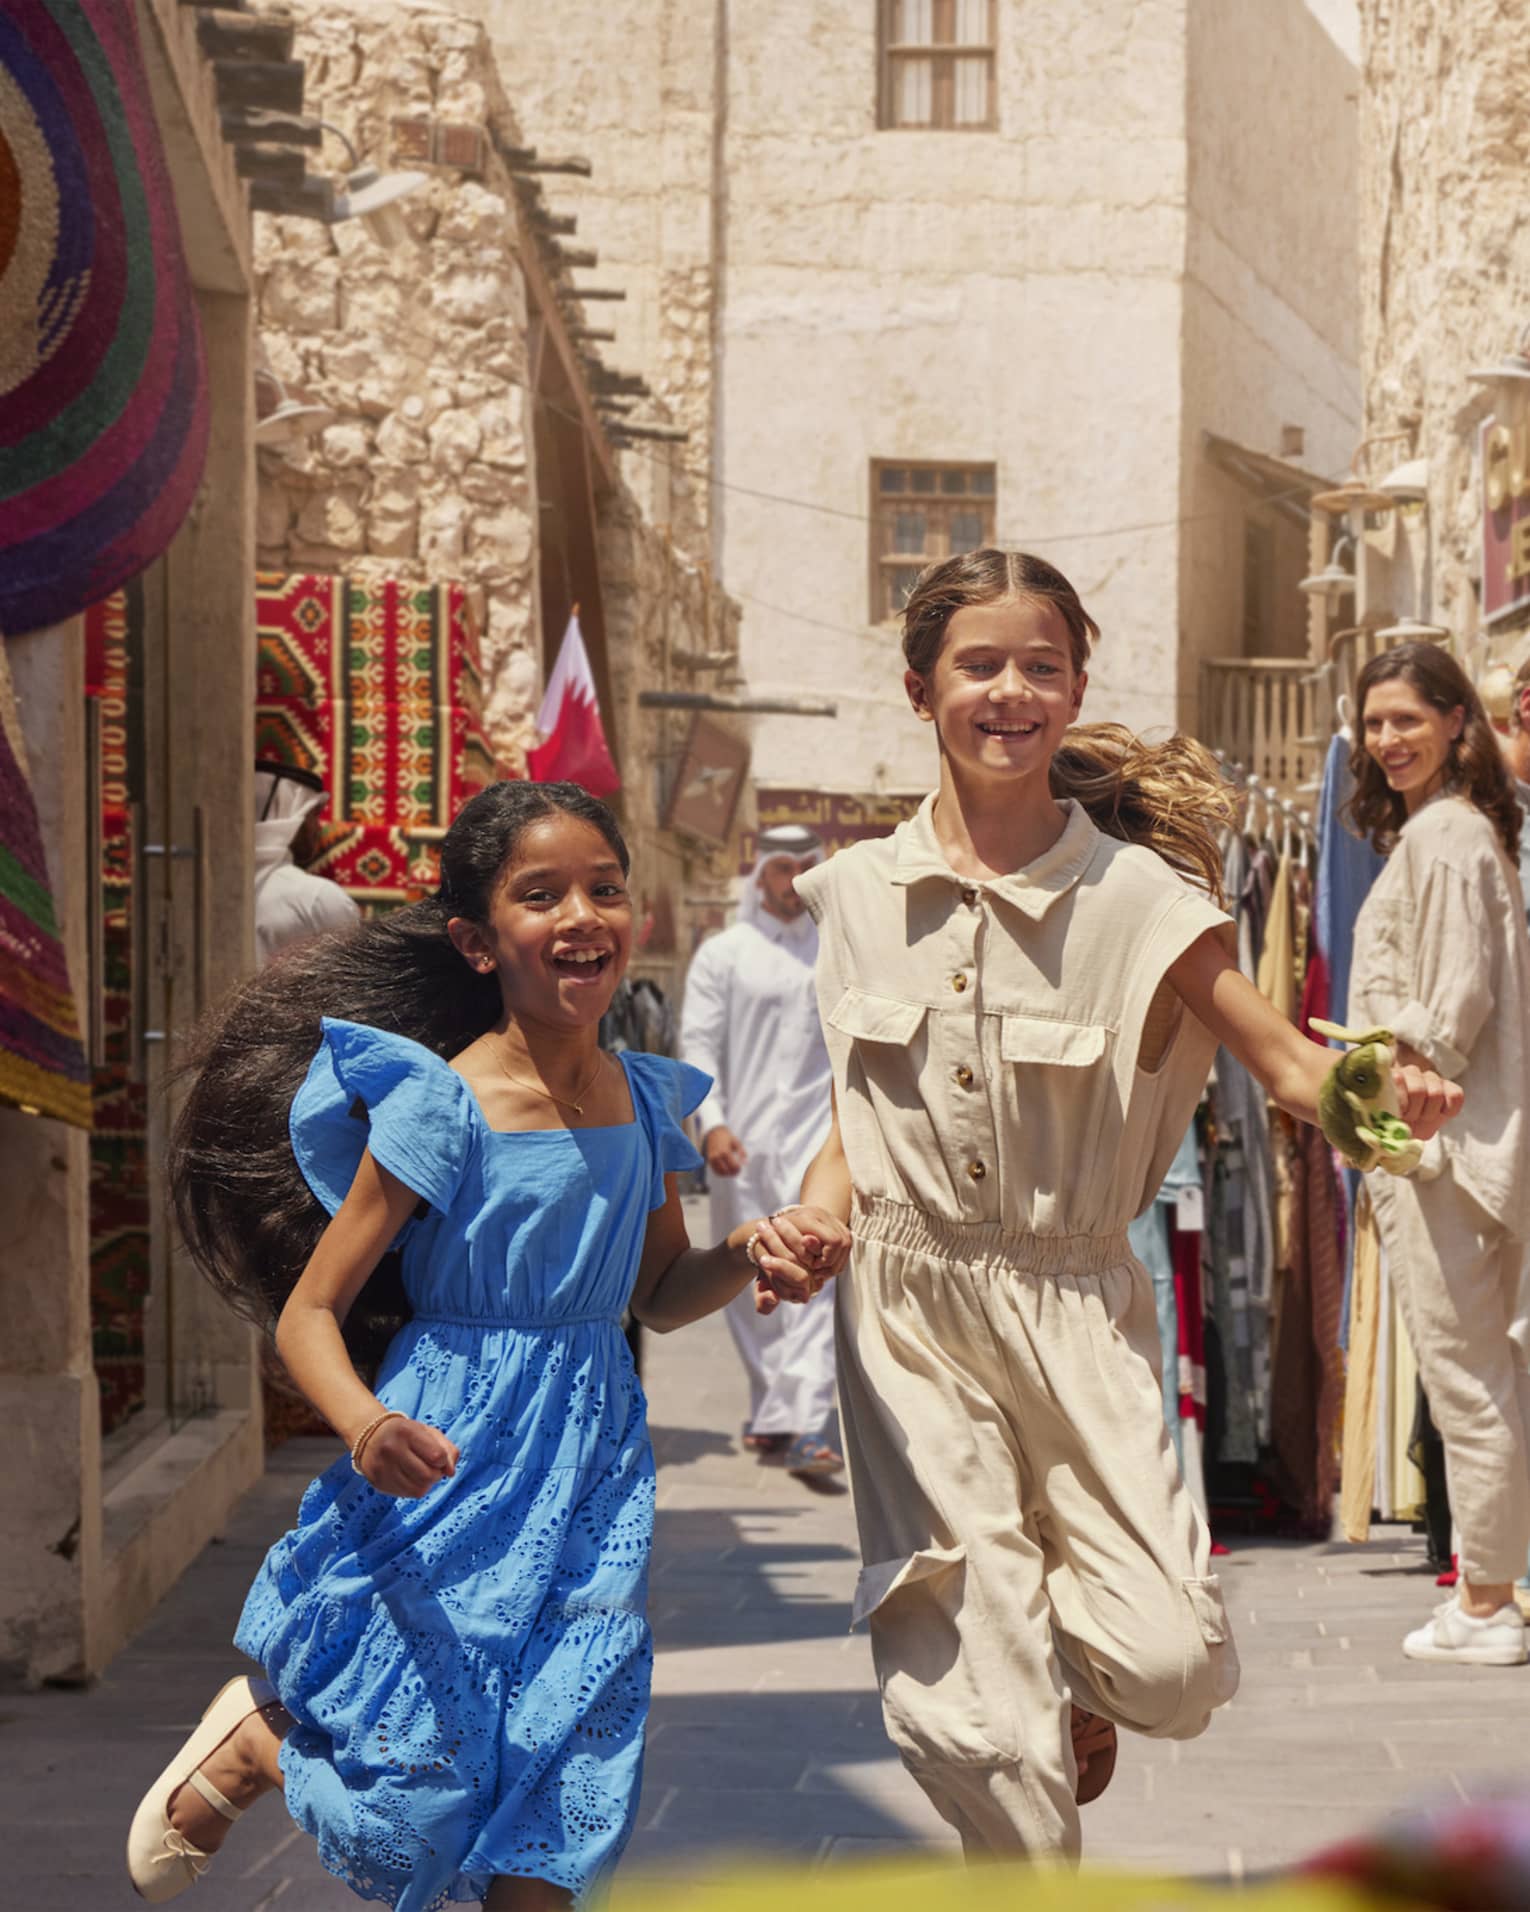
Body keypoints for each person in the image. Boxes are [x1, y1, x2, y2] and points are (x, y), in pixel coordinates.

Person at [791, 549, 1461, 1864]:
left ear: (1074, 684)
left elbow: (1287, 1066)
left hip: (1077, 1297)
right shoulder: (852, 894)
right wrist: (812, 1221)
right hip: (910, 1312)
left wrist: (1385, 1101)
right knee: (972, 1721)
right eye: (978, 664)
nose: (1008, 692)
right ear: (921, 686)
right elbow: (854, 1113)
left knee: (1163, 1664)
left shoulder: (1147, 903)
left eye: (1039, 666)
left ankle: (1076, 1677)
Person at [125, 780, 849, 1911]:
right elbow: (311, 1313)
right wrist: (365, 1424)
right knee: (411, 1808)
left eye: (605, 889)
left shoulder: (642, 1097)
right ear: (476, 939)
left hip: (595, 1475)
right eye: (541, 893)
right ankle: (265, 1742)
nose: (583, 914)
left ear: (638, 917)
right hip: (450, 1471)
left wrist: (752, 1247)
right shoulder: (443, 1107)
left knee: (567, 1796)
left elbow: (659, 1292)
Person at [1345, 642, 1530, 1666]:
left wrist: (1396, 1085)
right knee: (1484, 1367)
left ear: (1459, 720)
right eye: (1375, 724)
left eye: (1407, 718)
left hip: (1441, 1142)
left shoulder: (1450, 836)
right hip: (1449, 1135)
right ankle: (1493, 1589)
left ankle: (1490, 1601)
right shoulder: (1448, 832)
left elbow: (1454, 995)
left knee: (1468, 1371)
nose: (1387, 740)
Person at [680, 823, 842, 1478]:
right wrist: (711, 1123)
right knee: (750, 1272)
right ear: (763, 874)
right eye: (782, 867)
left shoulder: (837, 953)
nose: (791, 881)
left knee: (815, 1265)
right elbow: (697, 1043)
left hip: (817, 1141)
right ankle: (773, 1408)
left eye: (805, 867)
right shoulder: (725, 954)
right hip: (742, 1143)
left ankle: (805, 1422)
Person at [254, 760, 359, 965]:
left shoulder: (200, 887)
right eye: (314, 816)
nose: (319, 828)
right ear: (291, 815)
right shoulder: (319, 900)